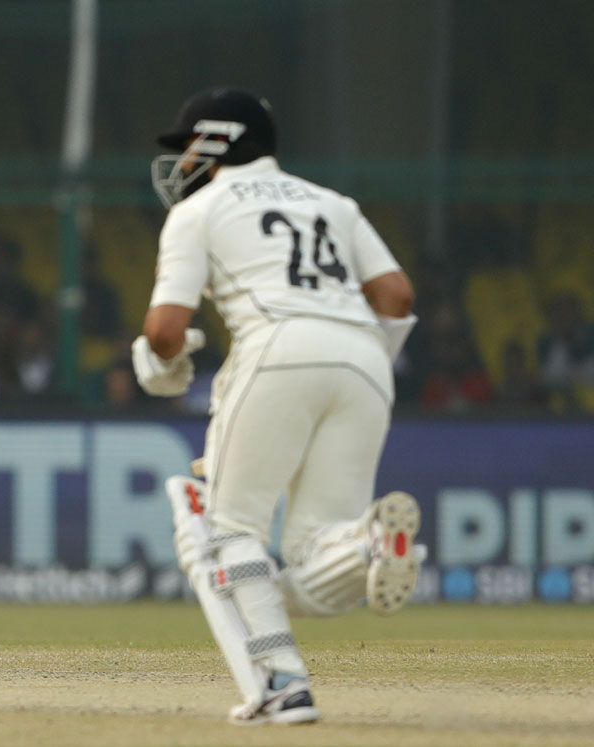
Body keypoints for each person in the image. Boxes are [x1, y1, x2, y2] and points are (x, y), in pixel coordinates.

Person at [134, 87, 423, 725]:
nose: (181, 162)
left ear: (214, 142)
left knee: (232, 529)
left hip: (277, 347)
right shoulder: (333, 203)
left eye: (187, 147)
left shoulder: (200, 210)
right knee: (318, 552)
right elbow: (398, 296)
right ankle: (370, 542)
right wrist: (359, 347)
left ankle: (286, 683)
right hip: (367, 359)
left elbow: (163, 329)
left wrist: (163, 362)